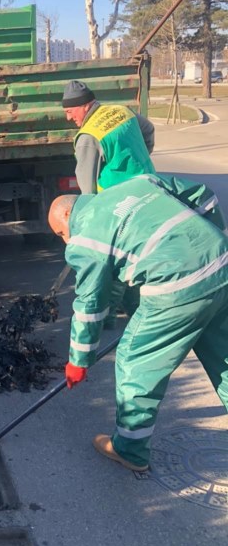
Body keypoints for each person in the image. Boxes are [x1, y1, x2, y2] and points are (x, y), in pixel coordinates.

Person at [47, 173, 228, 472]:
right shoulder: (138, 183)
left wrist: (79, 361)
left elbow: (90, 304)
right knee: (223, 354)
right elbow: (204, 195)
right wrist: (209, 244)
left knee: (135, 360)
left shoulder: (84, 239)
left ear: (68, 214)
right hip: (221, 263)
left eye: (60, 233)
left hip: (178, 285)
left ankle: (129, 449)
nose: (65, 239)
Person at [62, 80, 156, 194]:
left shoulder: (88, 136)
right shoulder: (122, 111)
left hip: (119, 197)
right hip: (149, 185)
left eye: (69, 111)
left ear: (85, 106)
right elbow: (148, 128)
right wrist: (140, 157)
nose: (68, 117)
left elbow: (87, 190)